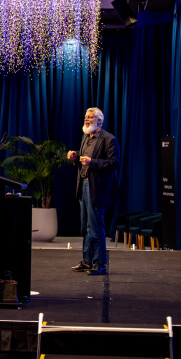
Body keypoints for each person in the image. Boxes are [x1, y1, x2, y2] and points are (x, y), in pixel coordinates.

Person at [67, 107, 121, 276]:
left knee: (95, 226)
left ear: (99, 121)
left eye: (90, 117)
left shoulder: (109, 139)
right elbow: (83, 161)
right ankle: (87, 260)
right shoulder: (85, 137)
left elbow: (114, 163)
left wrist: (93, 162)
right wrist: (75, 158)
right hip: (83, 185)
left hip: (97, 188)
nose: (86, 119)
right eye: (86, 116)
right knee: (85, 226)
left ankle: (99, 263)